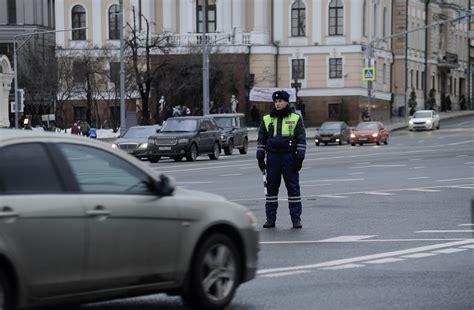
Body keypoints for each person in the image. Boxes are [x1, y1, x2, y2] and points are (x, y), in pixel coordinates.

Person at [256, 90, 306, 229]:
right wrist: (260, 157)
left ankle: (296, 219)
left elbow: (301, 140)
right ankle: (270, 219)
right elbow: (261, 140)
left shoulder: (295, 118)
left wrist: (299, 159)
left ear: (286, 102)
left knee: (293, 189)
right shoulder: (267, 119)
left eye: (280, 101)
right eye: (276, 102)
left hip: (289, 157)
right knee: (271, 190)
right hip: (273, 158)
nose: (277, 104)